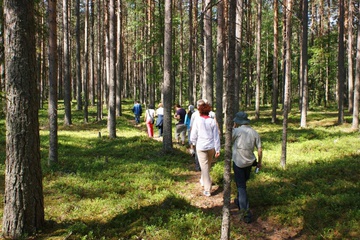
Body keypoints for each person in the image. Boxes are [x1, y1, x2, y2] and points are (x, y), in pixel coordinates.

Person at [232, 111, 262, 223]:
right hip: (250, 162)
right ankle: (239, 200)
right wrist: (259, 162)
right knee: (243, 183)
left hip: (239, 162)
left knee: (241, 186)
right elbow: (259, 149)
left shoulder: (236, 131)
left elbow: (228, 140)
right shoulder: (254, 132)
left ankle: (245, 212)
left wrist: (234, 127)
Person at [190, 102, 221, 197]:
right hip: (211, 147)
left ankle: (207, 189)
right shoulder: (212, 121)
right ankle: (203, 181)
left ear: (200, 111)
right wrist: (217, 149)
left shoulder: (197, 120)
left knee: (205, 168)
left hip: (201, 147)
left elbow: (193, 134)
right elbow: (216, 136)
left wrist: (193, 143)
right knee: (207, 166)